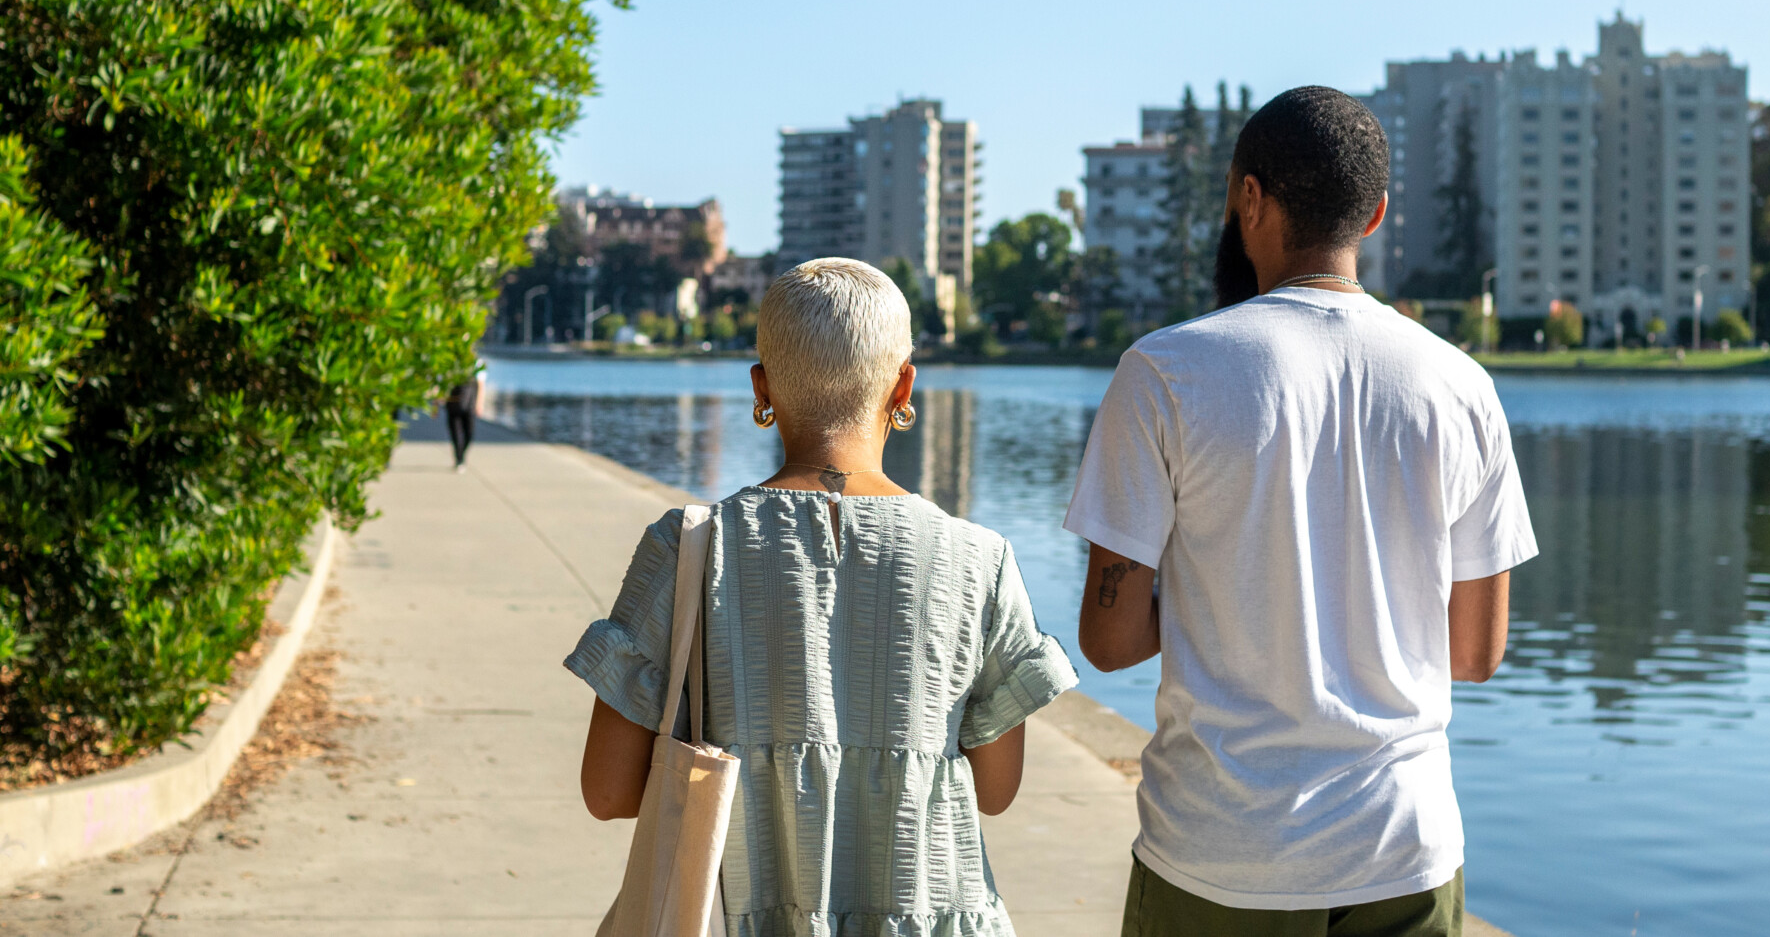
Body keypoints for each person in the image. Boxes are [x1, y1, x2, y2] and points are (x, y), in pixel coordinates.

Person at [1065, 87, 1538, 937]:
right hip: (1404, 850)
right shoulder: (1463, 386)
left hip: (1222, 857)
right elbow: (1476, 652)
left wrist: (1221, 592)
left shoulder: (1165, 373)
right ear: (1378, 215)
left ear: (1251, 197)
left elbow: (1109, 641)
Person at [567, 257, 1076, 934]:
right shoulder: (981, 560)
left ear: (763, 387)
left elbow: (607, 792)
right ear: (903, 388)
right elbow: (997, 791)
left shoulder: (687, 548)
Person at [443, 363, 483, 472]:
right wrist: (436, 405)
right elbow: (442, 384)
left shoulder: (476, 363)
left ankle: (461, 455)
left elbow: (481, 384)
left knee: (469, 434)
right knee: (455, 433)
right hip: (453, 405)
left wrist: (479, 403)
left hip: (469, 404)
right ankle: (459, 459)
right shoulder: (449, 362)